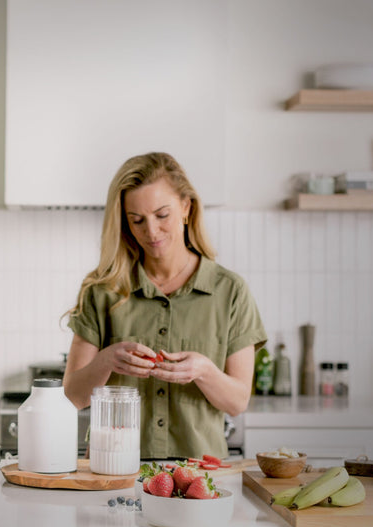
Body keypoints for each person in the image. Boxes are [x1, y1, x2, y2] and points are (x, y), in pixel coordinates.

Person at [63, 152, 266, 460]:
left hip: (200, 480)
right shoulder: (102, 290)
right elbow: (72, 396)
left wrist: (203, 371)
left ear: (186, 207)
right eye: (137, 220)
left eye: (162, 215)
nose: (151, 232)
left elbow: (237, 402)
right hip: (115, 473)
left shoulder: (230, 291)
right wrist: (106, 360)